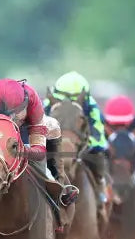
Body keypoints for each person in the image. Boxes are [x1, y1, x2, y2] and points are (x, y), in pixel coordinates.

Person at [0, 78, 80, 226]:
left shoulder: (32, 99)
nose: (9, 118)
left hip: (24, 133)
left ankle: (59, 182)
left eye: (14, 114)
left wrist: (19, 148)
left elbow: (39, 151)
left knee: (53, 126)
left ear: (24, 105)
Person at [44, 71, 110, 201]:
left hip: (83, 145)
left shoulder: (91, 107)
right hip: (54, 143)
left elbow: (99, 139)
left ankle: (100, 189)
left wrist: (82, 146)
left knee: (98, 157)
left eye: (73, 100)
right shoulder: (47, 104)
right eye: (63, 99)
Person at [102, 93, 135, 212]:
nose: (119, 126)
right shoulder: (102, 125)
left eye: (123, 123)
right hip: (110, 168)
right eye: (115, 124)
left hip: (132, 167)